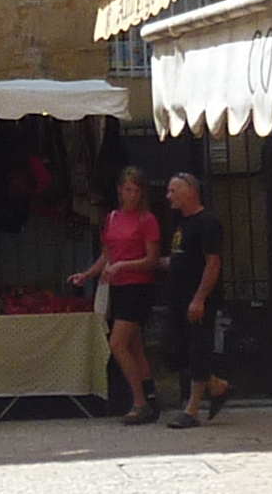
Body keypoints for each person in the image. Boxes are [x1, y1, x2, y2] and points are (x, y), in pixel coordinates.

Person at [70, 167, 162, 425]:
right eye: (128, 189)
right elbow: (108, 254)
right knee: (134, 346)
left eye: (137, 190)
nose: (132, 195)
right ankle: (150, 396)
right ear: (120, 189)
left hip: (138, 286)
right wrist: (88, 274)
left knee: (117, 344)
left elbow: (152, 259)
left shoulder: (147, 220)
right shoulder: (111, 218)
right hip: (118, 287)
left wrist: (123, 266)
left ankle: (139, 401)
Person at [158, 169, 229, 427]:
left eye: (173, 191)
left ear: (189, 192)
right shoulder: (181, 223)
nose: (168, 196)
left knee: (198, 352)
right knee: (172, 351)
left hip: (196, 300)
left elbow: (213, 264)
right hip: (177, 298)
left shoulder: (208, 222)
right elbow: (182, 256)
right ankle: (217, 385)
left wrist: (199, 299)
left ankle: (192, 410)